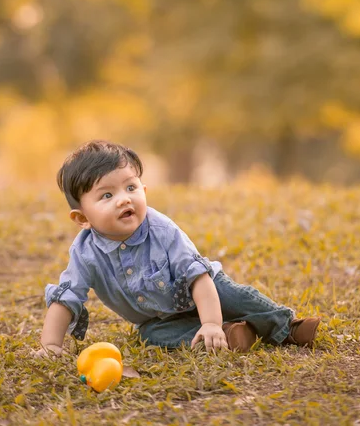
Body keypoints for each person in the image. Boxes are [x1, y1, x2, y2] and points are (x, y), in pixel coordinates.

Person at [39, 140, 321, 356]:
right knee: (151, 336)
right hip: (159, 318)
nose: (124, 200)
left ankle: (288, 327)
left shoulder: (162, 231)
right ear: (82, 218)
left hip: (203, 289)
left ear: (144, 191)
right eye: (107, 195)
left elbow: (197, 276)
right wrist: (51, 344)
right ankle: (229, 334)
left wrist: (208, 319)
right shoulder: (85, 253)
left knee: (236, 297)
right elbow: (67, 298)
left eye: (131, 188)